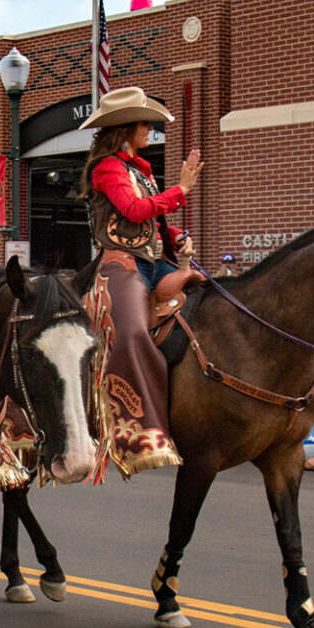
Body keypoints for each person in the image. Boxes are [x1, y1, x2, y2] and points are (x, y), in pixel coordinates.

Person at [77, 85, 201, 476]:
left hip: (155, 261)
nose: (150, 130)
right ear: (126, 127)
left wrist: (175, 236)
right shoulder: (107, 168)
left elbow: (152, 222)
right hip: (120, 263)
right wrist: (181, 190)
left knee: (207, 298)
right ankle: (136, 431)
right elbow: (132, 210)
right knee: (130, 333)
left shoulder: (140, 170)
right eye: (145, 124)